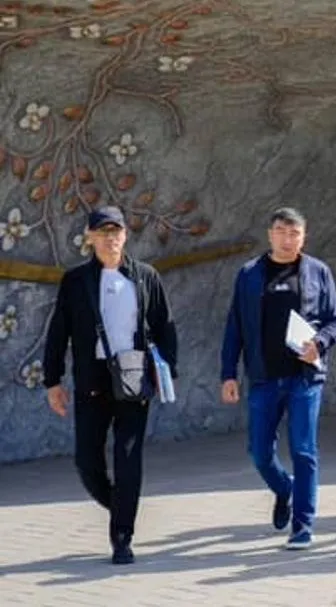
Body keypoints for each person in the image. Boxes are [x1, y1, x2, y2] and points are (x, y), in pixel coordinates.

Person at [43, 205, 178, 565]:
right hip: (93, 378)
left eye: (116, 231)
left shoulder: (145, 276)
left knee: (128, 459)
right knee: (87, 462)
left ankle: (122, 538)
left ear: (125, 235)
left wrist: (167, 370)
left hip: (134, 376)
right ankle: (122, 505)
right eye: (103, 232)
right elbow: (58, 332)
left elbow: (165, 325)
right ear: (90, 237)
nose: (110, 238)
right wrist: (52, 380)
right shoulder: (76, 281)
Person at [220, 207, 336, 550]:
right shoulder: (249, 274)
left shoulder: (318, 272)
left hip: (305, 377)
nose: (287, 240)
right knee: (259, 452)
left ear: (304, 237)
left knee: (304, 450)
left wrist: (319, 344)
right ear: (270, 234)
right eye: (281, 232)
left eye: (294, 233)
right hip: (264, 377)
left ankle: (303, 525)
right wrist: (228, 373)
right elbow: (235, 326)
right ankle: (284, 489)